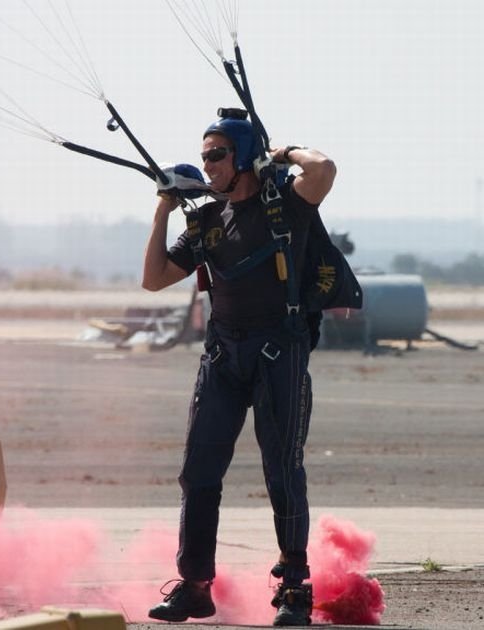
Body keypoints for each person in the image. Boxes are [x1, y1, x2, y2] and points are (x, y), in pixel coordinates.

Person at [142, 111, 337, 627]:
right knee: (198, 473)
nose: (207, 166)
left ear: (242, 157)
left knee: (283, 471)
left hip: (280, 352)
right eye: (203, 156)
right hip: (223, 356)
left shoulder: (286, 207)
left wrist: (281, 153)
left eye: (216, 155)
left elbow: (324, 169)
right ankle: (195, 585)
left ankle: (295, 587)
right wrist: (164, 207)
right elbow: (155, 279)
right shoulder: (206, 220)